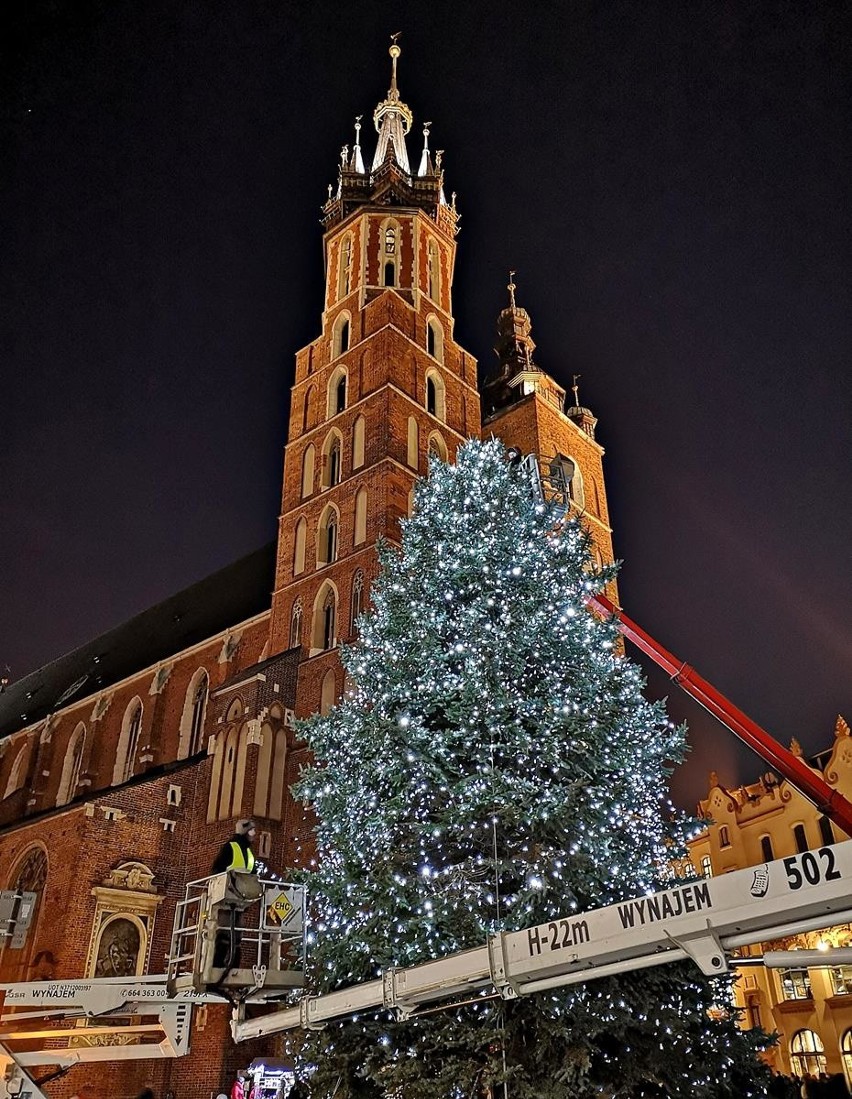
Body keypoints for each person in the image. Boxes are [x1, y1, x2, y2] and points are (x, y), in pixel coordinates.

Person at [211, 820, 258, 969]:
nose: (254, 834)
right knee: (225, 933)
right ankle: (218, 965)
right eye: (251, 830)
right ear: (244, 831)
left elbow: (252, 873)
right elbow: (217, 868)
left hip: (241, 900)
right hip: (228, 897)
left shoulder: (249, 852)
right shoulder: (231, 847)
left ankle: (233, 966)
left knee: (237, 936)